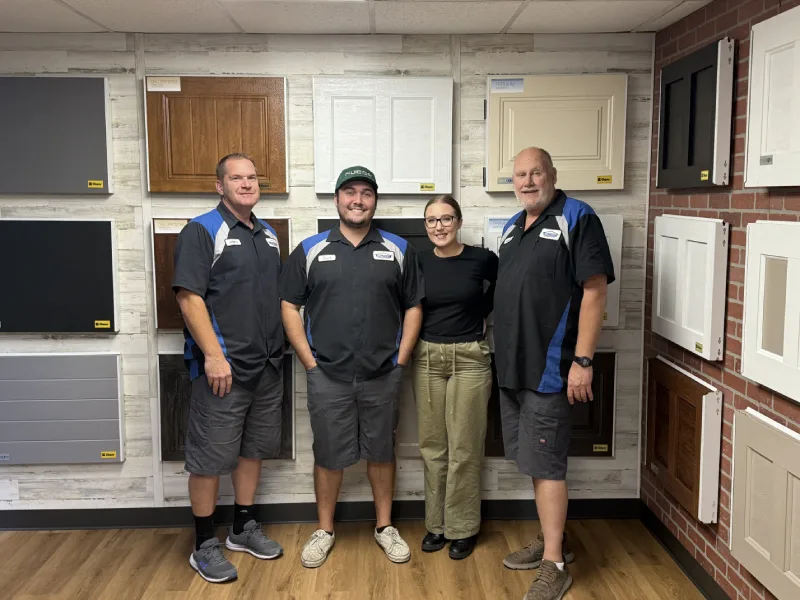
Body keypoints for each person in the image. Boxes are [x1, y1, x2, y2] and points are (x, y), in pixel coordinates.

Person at [279, 165, 424, 568]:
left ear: (375, 201)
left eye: (366, 193)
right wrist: (309, 362)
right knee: (328, 454)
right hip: (327, 375)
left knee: (382, 452)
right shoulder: (310, 249)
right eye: (349, 192)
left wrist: (400, 360)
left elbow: (414, 306)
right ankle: (324, 530)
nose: (357, 200)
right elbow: (289, 305)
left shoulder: (398, 249)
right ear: (336, 199)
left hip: (383, 374)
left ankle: (385, 527)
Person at [494, 147, 615, 600]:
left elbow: (594, 290)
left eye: (536, 173)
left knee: (548, 466)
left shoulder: (577, 217)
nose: (527, 181)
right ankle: (554, 540)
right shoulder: (512, 227)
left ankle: (555, 565)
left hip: (551, 370)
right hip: (512, 369)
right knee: (534, 461)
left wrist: (583, 361)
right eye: (520, 175)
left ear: (553, 175)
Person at [172, 153, 285, 583]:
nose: (247, 183)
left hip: (267, 367)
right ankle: (204, 543)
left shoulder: (268, 235)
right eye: (237, 178)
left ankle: (242, 527)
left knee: (253, 449)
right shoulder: (202, 230)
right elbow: (189, 297)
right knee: (208, 458)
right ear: (220, 186)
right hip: (224, 369)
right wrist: (214, 356)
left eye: (252, 177)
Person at [412, 195, 497, 560]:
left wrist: (480, 313)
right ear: (425, 226)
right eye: (432, 220)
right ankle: (436, 525)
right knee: (433, 447)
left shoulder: (482, 259)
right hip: (427, 358)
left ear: (459, 222)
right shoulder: (418, 261)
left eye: (446, 219)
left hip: (470, 358)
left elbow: (501, 291)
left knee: (465, 447)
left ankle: (462, 528)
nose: (439, 226)